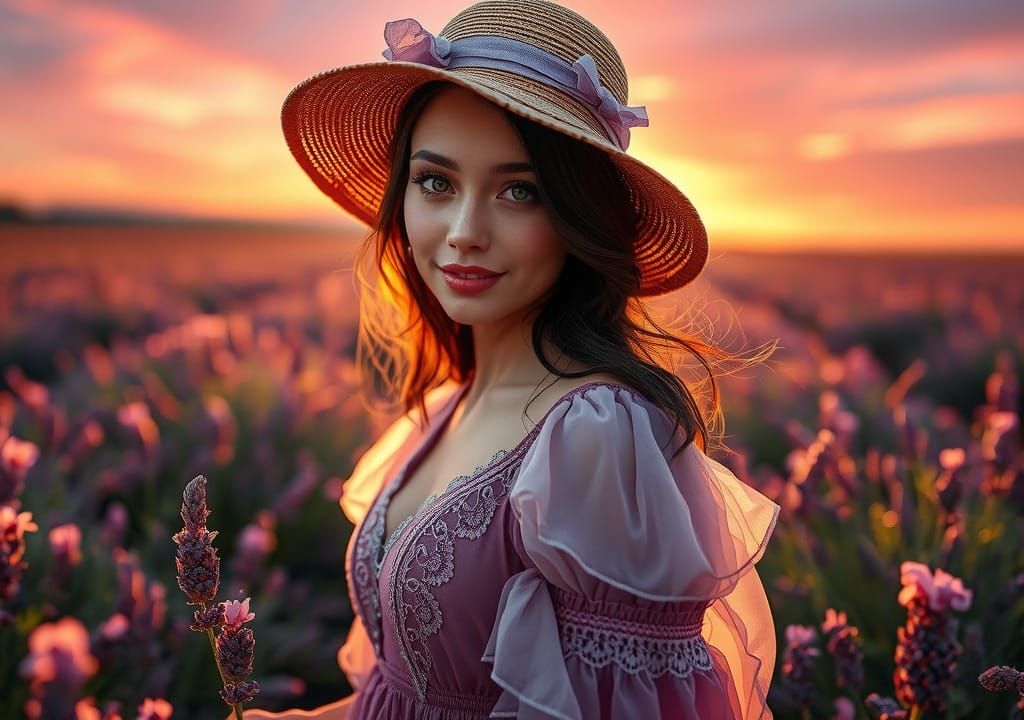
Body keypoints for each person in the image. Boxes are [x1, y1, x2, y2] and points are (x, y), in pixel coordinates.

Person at [255, 0, 780, 717]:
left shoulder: (600, 434)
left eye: (519, 192)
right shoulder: (448, 403)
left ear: (577, 219)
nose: (466, 232)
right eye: (435, 181)